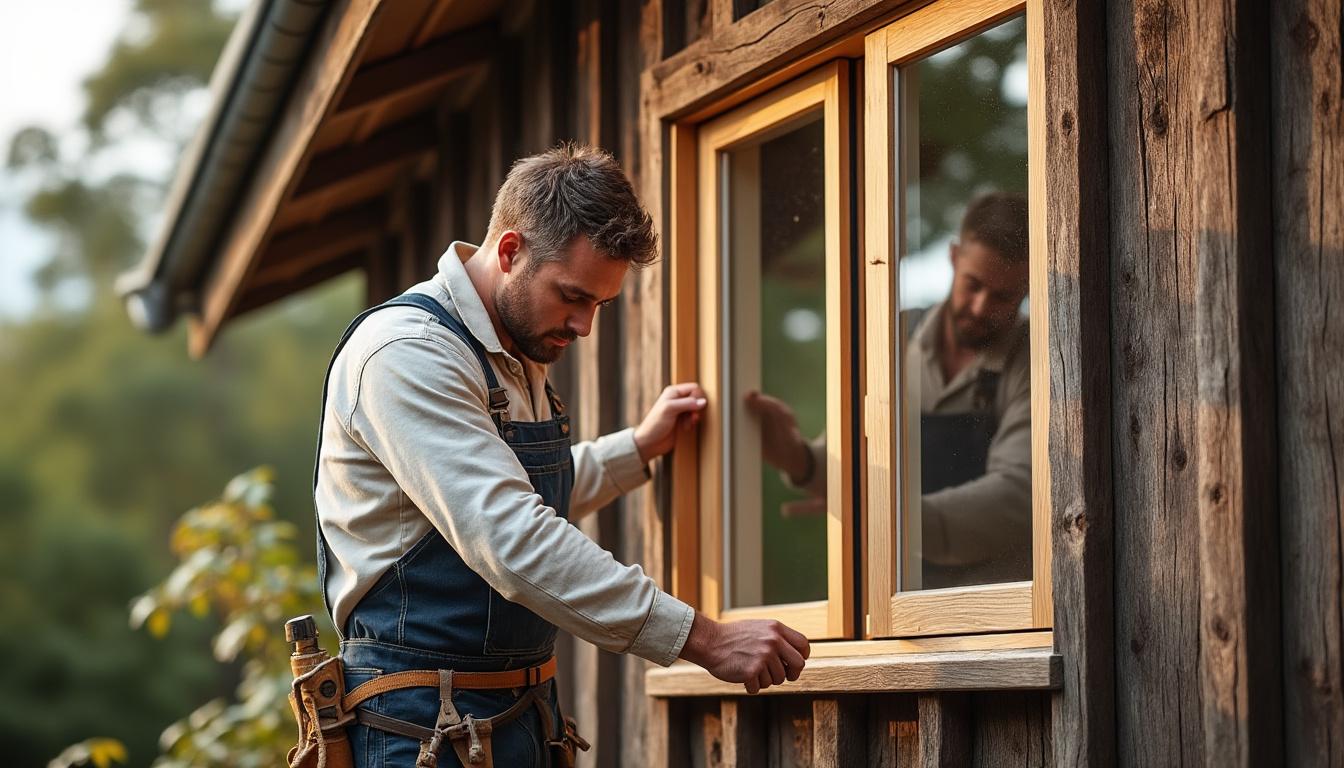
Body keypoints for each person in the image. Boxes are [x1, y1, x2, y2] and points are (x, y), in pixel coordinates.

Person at [315, 144, 809, 767]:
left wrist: (638, 448)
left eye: (599, 304)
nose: (584, 326)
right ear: (510, 251)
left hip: (515, 717)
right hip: (417, 729)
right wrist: (702, 638)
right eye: (573, 296)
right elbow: (511, 535)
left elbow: (523, 491)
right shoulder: (407, 355)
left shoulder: (514, 343)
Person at [746, 191, 1031, 589]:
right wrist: (799, 460)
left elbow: (1016, 500)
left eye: (1002, 296)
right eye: (973, 285)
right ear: (953, 257)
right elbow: (844, 461)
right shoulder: (893, 338)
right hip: (892, 596)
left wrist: (875, 513)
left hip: (989, 607)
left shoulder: (1032, 358)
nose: (982, 307)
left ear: (1027, 287)